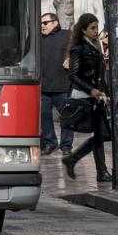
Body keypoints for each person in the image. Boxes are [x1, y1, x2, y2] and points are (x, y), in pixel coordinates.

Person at [63, 13, 112, 183]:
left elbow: (100, 74)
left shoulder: (95, 46)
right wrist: (91, 90)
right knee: (101, 133)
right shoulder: (79, 48)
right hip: (85, 97)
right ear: (83, 29)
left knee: (103, 134)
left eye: (96, 27)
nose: (95, 31)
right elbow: (73, 75)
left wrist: (104, 93)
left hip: (96, 97)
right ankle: (101, 172)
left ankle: (74, 160)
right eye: (92, 28)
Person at [39, 12, 74, 156]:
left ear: (55, 22)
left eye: (45, 23)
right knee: (44, 115)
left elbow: (77, 49)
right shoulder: (38, 38)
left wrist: (70, 58)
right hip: (44, 86)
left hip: (62, 85)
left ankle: (66, 145)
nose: (42, 26)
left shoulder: (67, 35)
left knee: (66, 116)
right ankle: (50, 143)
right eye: (41, 23)